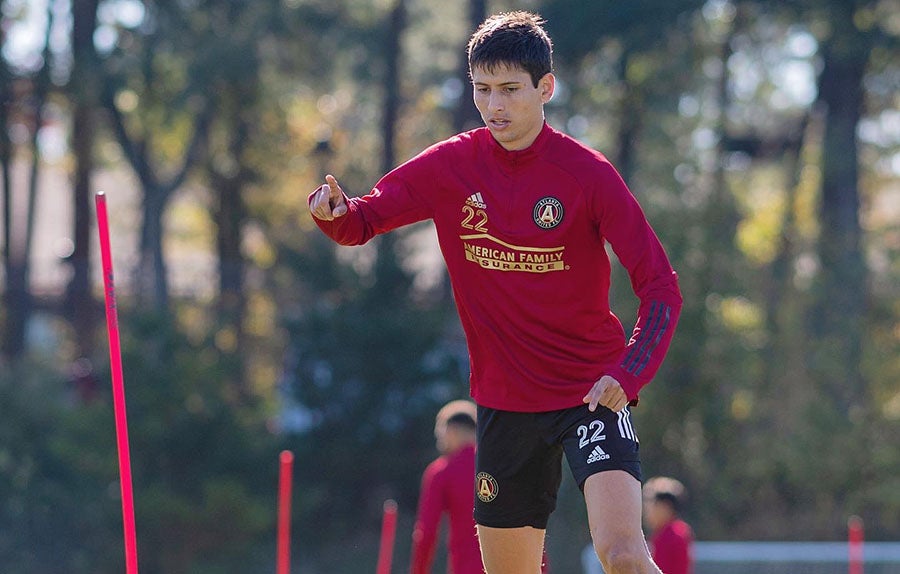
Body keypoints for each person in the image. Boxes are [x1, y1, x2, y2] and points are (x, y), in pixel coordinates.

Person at [309, 11, 682, 574]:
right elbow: (364, 220)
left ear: (546, 88)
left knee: (624, 554)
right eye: (483, 90)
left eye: (510, 89)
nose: (495, 106)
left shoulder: (588, 174)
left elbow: (660, 287)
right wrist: (334, 213)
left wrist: (628, 374)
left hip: (592, 393)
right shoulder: (450, 166)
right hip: (504, 402)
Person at [410, 400, 483, 574]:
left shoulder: (442, 471)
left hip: (468, 568)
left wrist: (419, 570)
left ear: (452, 430)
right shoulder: (503, 464)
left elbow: (426, 533)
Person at [642, 477, 694, 574]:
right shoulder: (666, 532)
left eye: (650, 503)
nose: (646, 510)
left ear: (665, 507)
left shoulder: (672, 535)